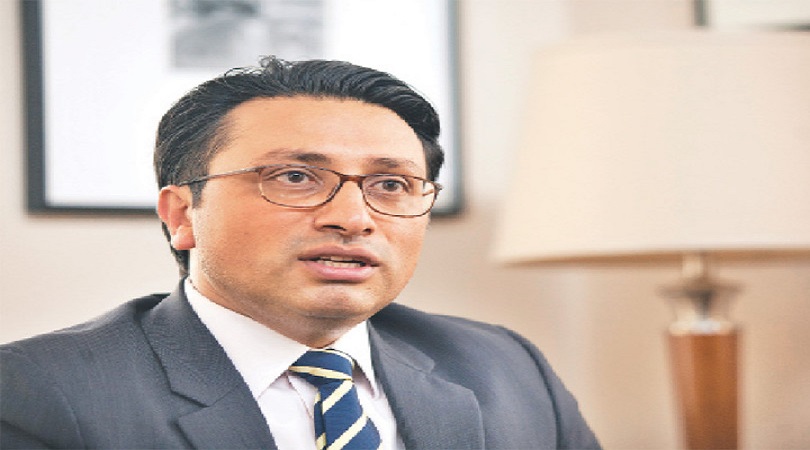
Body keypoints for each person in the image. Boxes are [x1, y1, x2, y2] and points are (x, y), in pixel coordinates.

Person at [1, 57, 600, 449]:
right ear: (182, 214)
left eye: (391, 184)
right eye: (294, 177)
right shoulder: (37, 391)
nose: (353, 217)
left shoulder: (505, 367)